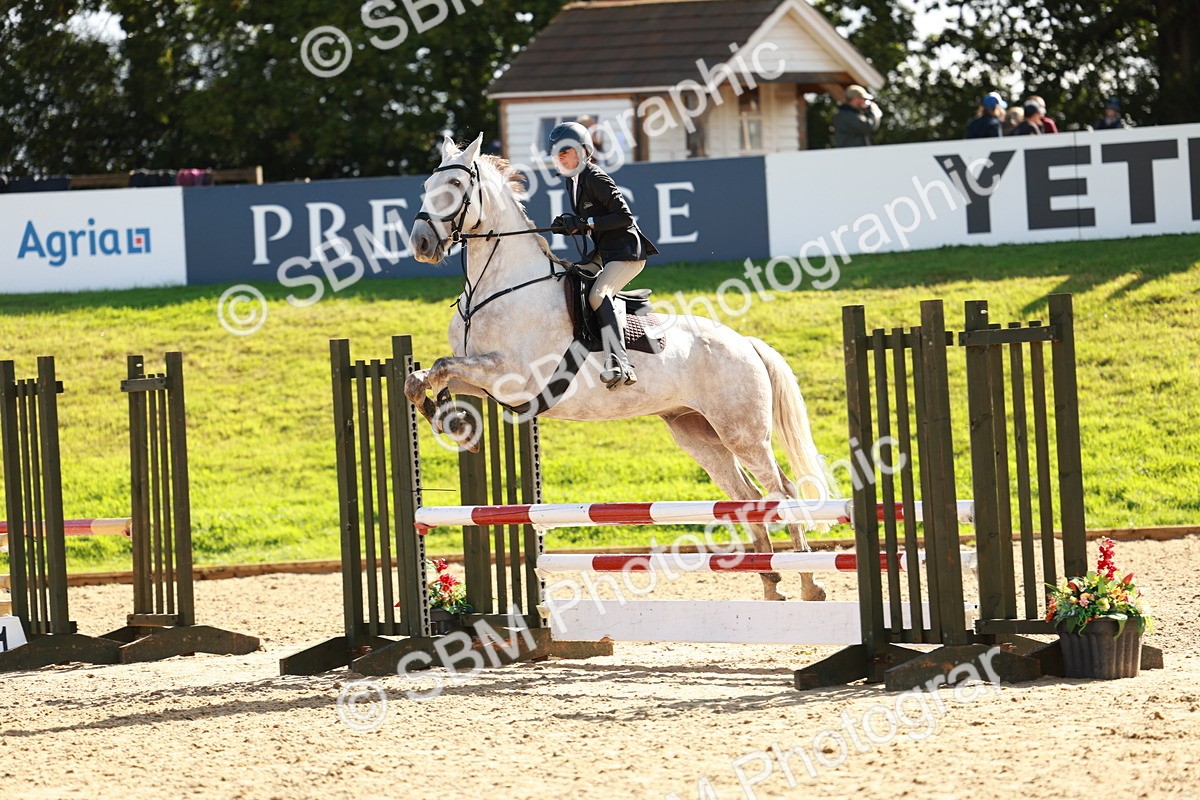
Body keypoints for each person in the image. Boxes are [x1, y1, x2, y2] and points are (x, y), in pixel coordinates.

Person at [548, 122, 658, 389]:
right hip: (604, 251)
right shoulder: (571, 181)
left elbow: (624, 217)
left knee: (599, 294)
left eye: (566, 151)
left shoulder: (595, 177)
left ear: (584, 151)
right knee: (570, 277)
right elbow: (589, 221)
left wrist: (587, 222)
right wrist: (572, 225)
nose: (559, 157)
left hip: (626, 253)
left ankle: (621, 363)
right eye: (557, 152)